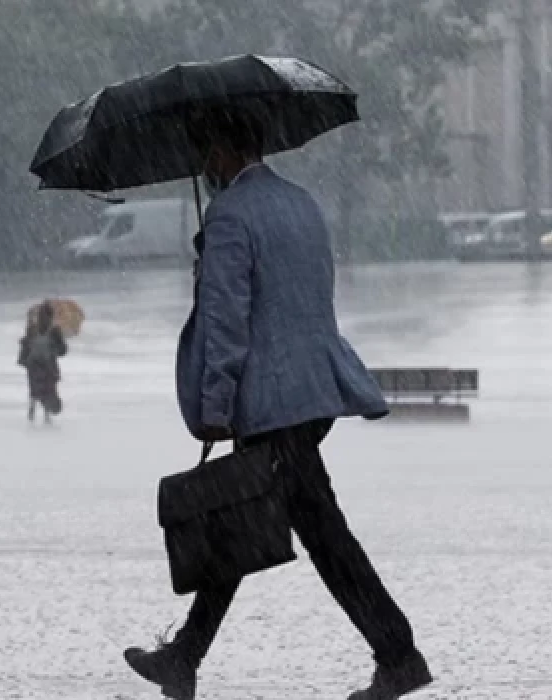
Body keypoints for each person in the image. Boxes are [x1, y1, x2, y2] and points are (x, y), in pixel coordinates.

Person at [123, 108, 431, 700]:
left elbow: (227, 321)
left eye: (204, 153)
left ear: (221, 149)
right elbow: (301, 297)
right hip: (313, 392)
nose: (203, 167)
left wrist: (215, 403)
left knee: (318, 535)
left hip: (270, 401)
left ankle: (399, 654)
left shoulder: (231, 216)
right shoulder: (302, 203)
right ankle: (185, 656)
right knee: (247, 519)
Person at [18, 301, 67, 424]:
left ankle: (37, 411)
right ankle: (40, 413)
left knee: (41, 389)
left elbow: (25, 347)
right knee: (43, 390)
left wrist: (23, 360)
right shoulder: (49, 330)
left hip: (40, 365)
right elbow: (63, 351)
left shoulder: (38, 329)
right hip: (42, 365)